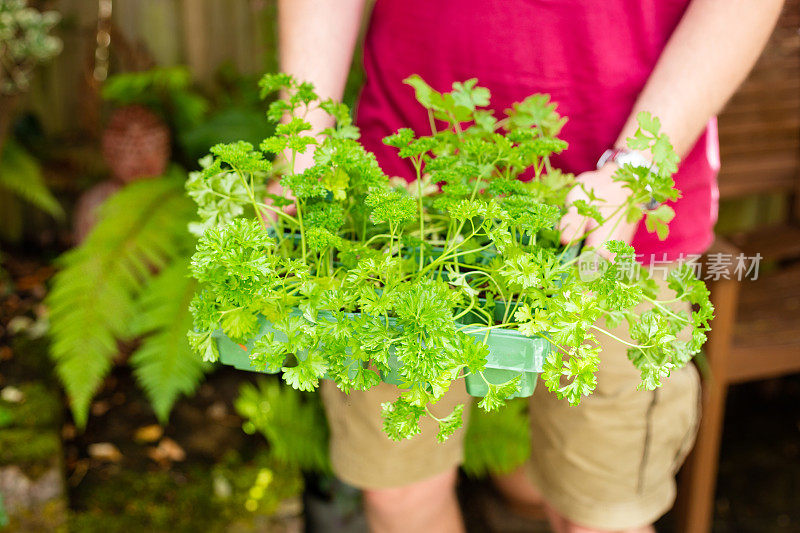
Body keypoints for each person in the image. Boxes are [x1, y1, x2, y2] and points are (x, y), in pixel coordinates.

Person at [275, 1, 784, 531]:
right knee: (398, 493)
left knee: (596, 515)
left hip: (612, 217)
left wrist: (638, 168)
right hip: (406, 203)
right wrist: (303, 137)